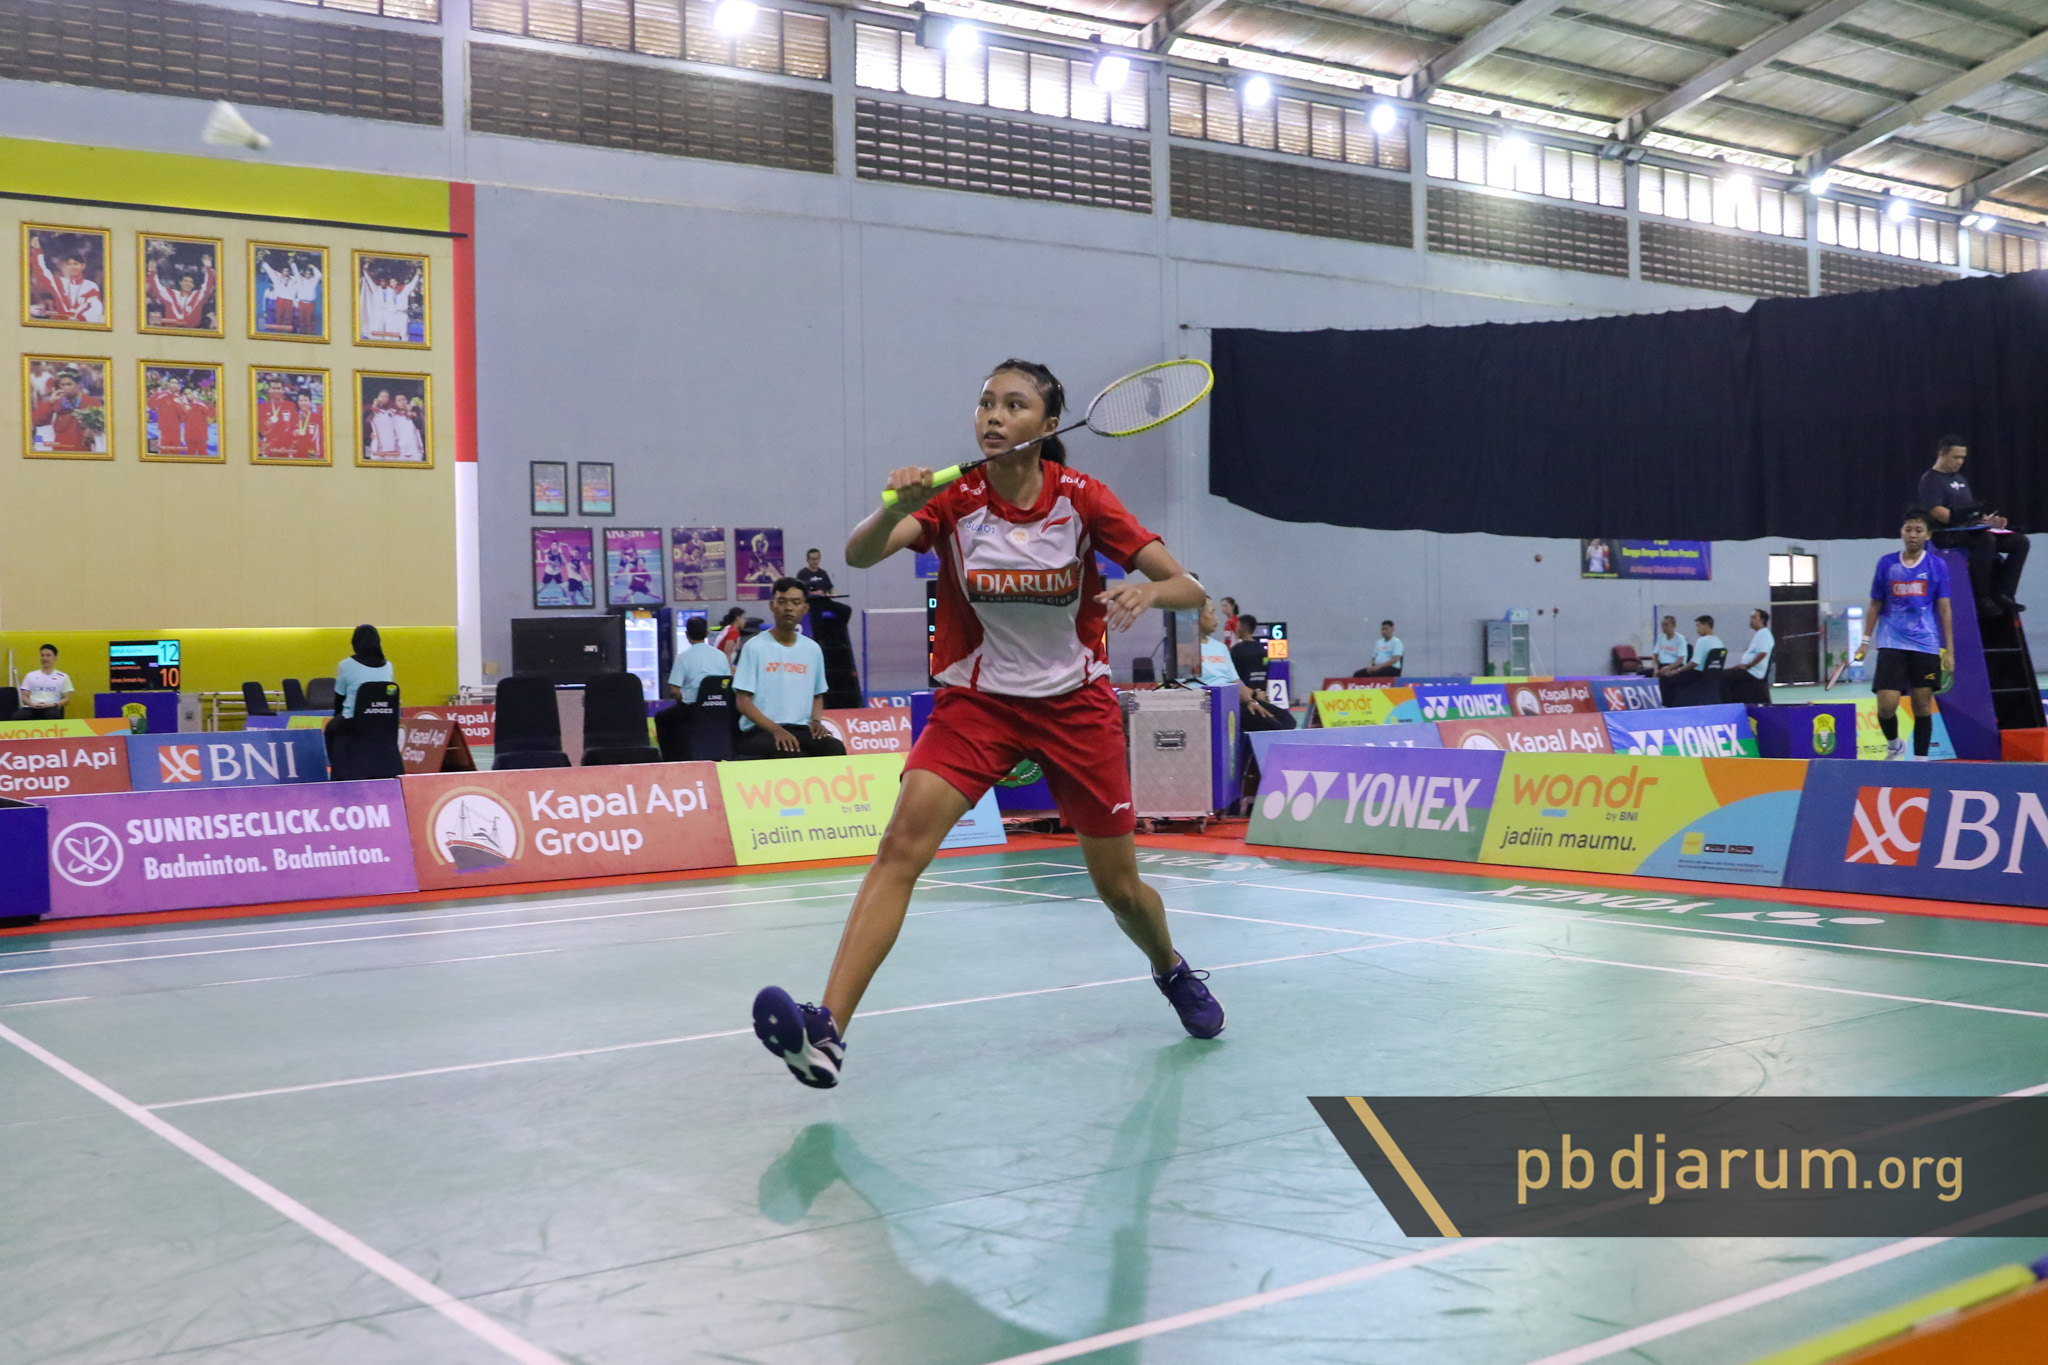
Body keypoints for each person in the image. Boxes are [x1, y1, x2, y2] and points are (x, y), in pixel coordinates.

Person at [751, 358, 1223, 1091]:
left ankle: (1170, 967)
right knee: (899, 849)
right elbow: (859, 554)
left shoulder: (1083, 499)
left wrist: (1148, 592)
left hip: (1076, 706)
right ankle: (828, 1030)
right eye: (985, 403)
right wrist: (892, 508)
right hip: (978, 705)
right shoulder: (955, 497)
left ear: (1048, 423)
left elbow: (1189, 586)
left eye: (1013, 404)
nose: (994, 416)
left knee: (1121, 889)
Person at [1855, 509, 1954, 760]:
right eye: (1908, 529)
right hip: (1891, 641)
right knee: (1886, 706)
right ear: (1901, 532)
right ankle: (1894, 745)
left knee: (1922, 704)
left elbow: (1944, 609)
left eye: (1919, 530)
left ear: (1928, 535)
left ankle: (1920, 761)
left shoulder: (1937, 565)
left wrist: (1950, 651)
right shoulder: (1887, 563)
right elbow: (1875, 604)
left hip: (1925, 644)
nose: (1913, 535)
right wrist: (1865, 641)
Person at [732, 579, 846, 760]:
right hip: (760, 731)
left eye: (796, 602)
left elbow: (817, 695)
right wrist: (776, 730)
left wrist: (816, 721)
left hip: (800, 729)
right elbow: (743, 702)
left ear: (805, 608)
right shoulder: (754, 647)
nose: (789, 608)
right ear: (772, 606)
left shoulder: (812, 649)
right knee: (791, 753)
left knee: (834, 748)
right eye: (782, 601)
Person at [1917, 436, 2027, 617]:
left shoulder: (1960, 479)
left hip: (1969, 530)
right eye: (1955, 457)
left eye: (1962, 458)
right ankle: (1982, 596)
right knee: (1986, 540)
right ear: (1942, 454)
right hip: (1945, 534)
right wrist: (1966, 521)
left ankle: (2004, 593)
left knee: (2020, 542)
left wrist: (1988, 521)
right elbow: (1937, 512)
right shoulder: (1930, 480)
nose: (1960, 462)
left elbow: (1970, 511)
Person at [1198, 598, 1290, 731]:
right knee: (1272, 725)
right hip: (1208, 704)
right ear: (1197, 616)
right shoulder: (1184, 648)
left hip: (1230, 700)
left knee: (1286, 719)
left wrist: (1251, 701)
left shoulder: (1220, 648)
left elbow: (1236, 681)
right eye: (1212, 613)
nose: (1216, 618)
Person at [27, 236, 104, 324]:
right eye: (69, 264)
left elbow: (96, 309)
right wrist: (37, 251)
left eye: (76, 264)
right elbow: (41, 272)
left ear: (83, 266)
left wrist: (78, 316)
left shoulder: (91, 286)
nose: (72, 267)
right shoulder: (60, 283)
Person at [31, 367, 102, 454]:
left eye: (69, 384)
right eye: (62, 385)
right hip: (59, 452)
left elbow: (102, 427)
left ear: (79, 385)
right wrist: (50, 402)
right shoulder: (56, 402)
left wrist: (92, 432)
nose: (65, 388)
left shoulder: (89, 402)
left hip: (82, 451)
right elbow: (36, 420)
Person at [333, 625, 394, 719]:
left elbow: (339, 699)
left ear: (355, 643)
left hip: (352, 721)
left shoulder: (346, 665)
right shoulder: (388, 666)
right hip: (382, 720)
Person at [666, 614, 730, 702]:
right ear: (707, 634)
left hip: (692, 707)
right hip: (718, 705)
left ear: (687, 634)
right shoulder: (721, 655)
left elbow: (675, 691)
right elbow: (727, 683)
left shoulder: (682, 657)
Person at [147, 255, 215, 332]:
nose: (188, 284)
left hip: (192, 332)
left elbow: (208, 286)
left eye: (190, 282)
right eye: (185, 281)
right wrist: (152, 271)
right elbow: (156, 287)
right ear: (180, 283)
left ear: (193, 285)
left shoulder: (197, 296)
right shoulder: (171, 294)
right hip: (170, 331)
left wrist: (208, 268)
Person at [14, 645, 74, 719]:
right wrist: (32, 704)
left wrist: (52, 704)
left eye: (48, 655)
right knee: (18, 716)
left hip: (51, 707)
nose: (45, 658)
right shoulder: (30, 675)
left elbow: (67, 699)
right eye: (42, 655)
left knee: (52, 715)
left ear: (55, 658)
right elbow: (24, 696)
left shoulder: (63, 677)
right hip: (32, 707)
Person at [1729, 608, 1774, 705]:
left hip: (1754, 672)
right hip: (1749, 669)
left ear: (1762, 620)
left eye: (1754, 617)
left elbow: (1763, 653)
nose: (1751, 620)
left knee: (1724, 677)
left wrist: (1748, 666)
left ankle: (1730, 705)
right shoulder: (1759, 634)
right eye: (1751, 617)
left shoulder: (1763, 634)